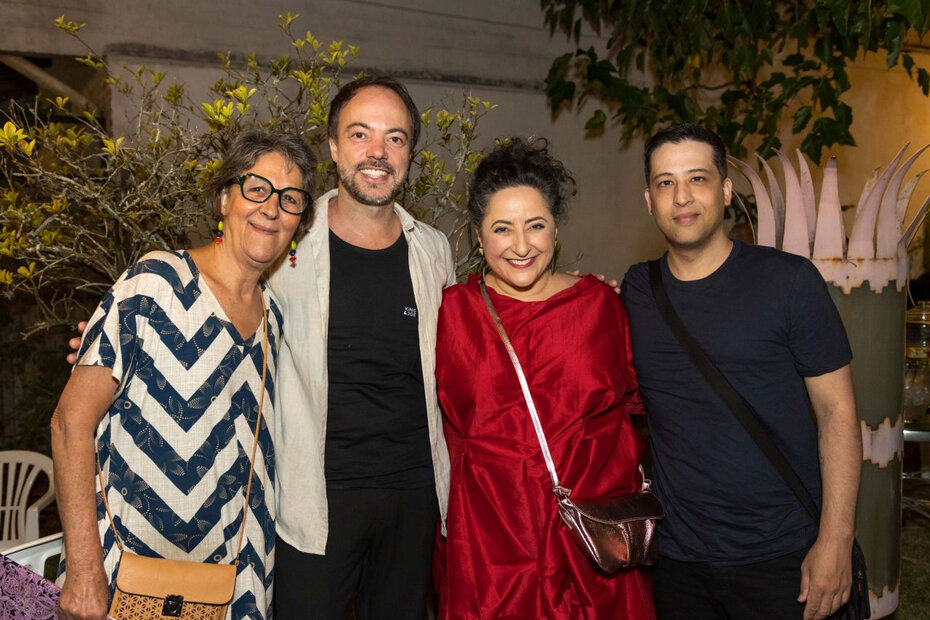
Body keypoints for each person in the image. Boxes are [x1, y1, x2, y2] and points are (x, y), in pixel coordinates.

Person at [52, 128, 317, 619]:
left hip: (236, 589)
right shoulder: (155, 283)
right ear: (223, 198)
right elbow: (70, 424)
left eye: (291, 198)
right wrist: (85, 570)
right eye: (256, 187)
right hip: (122, 579)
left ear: (299, 223)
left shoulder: (274, 318)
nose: (271, 208)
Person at [620, 123, 862, 620]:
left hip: (784, 556)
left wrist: (836, 542)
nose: (681, 196)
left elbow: (838, 413)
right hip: (679, 562)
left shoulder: (790, 282)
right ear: (649, 199)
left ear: (726, 190)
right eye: (665, 183)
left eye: (697, 178)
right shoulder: (637, 290)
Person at [433, 138, 655, 618]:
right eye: (501, 228)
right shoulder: (452, 313)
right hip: (491, 549)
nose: (520, 245)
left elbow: (635, 414)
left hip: (589, 546)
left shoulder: (598, 307)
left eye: (535, 225)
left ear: (555, 227)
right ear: (477, 235)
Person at [267, 77, 454, 618]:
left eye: (395, 138)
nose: (377, 153)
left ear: (410, 155)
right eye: (360, 134)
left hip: (414, 495)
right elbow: (222, 302)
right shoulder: (287, 241)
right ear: (332, 147)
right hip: (315, 499)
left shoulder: (433, 249)